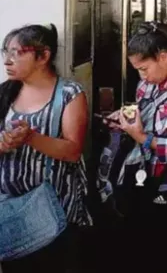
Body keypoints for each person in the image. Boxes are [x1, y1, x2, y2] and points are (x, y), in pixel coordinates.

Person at [103, 22, 167, 273]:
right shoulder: (147, 84)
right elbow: (143, 112)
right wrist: (124, 118)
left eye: (144, 69)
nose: (142, 77)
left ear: (163, 57)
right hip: (140, 179)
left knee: (162, 255)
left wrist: (143, 138)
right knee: (138, 249)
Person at [0, 24, 91, 273]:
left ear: (43, 56)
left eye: (17, 52)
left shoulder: (70, 94)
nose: (8, 60)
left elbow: (73, 151)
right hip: (10, 211)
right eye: (5, 52)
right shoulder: (5, 93)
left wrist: (31, 137)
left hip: (55, 211)